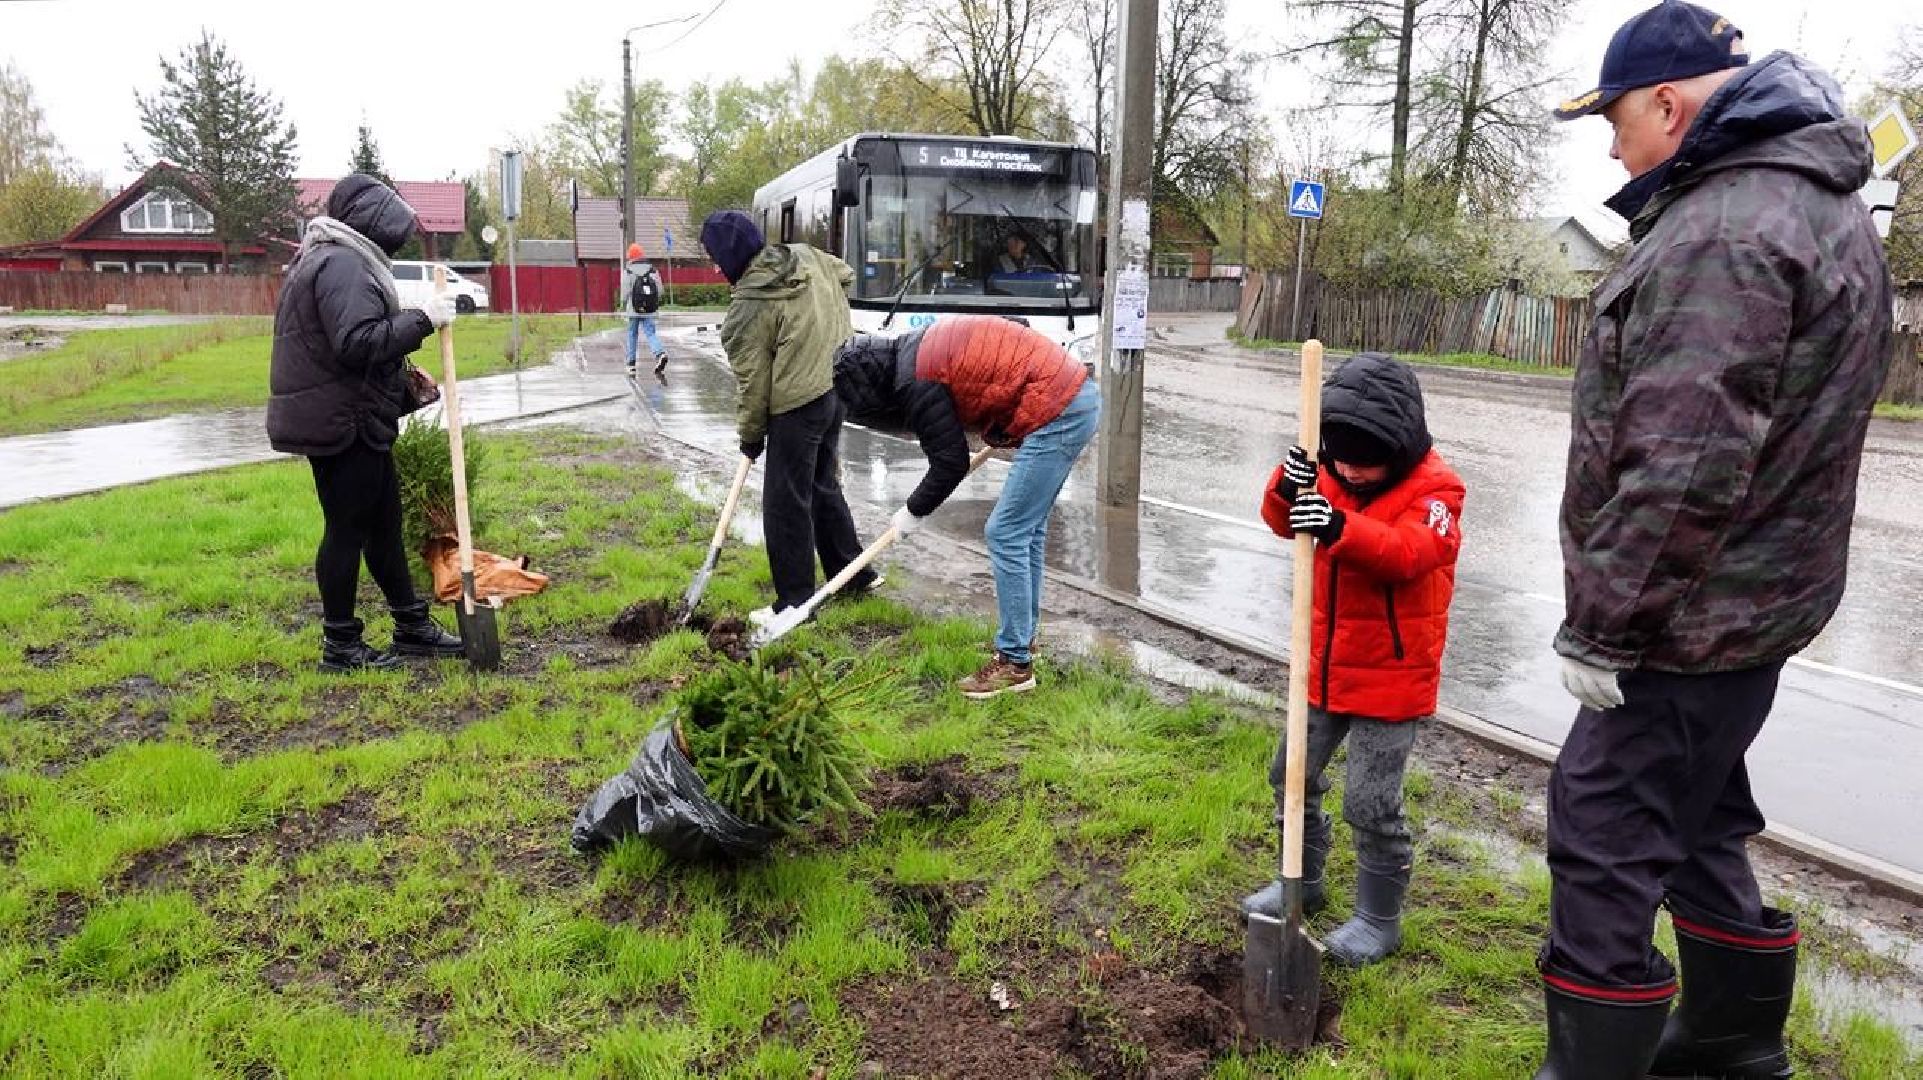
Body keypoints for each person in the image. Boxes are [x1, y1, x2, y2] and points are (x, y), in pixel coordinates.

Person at [1536, 4, 1894, 1074]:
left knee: (1601, 826)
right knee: (1696, 815)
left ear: (1666, 103)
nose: (1612, 150)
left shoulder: (1727, 230)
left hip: (1686, 620)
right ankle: (1733, 1044)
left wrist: (1604, 631)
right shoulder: (1814, 202)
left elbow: (1685, 462)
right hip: (1753, 606)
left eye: (1614, 123)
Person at [1238, 353, 1465, 967]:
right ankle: (1300, 883)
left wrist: (1339, 525)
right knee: (1291, 775)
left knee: (1369, 801)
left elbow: (1410, 553)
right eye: (1340, 459)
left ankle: (1377, 919)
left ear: (1400, 447)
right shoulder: (1328, 469)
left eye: (1365, 462)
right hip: (1323, 667)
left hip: (1392, 679)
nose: (1349, 471)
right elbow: (1282, 522)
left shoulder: (1438, 491)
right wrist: (1286, 487)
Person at [834, 315, 1100, 699]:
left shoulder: (917, 382)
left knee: (1006, 533)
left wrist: (912, 511)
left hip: (1059, 407)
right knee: (1026, 532)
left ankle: (1014, 664)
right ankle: (1021, 640)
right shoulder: (914, 348)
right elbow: (1009, 333)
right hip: (1069, 393)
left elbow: (950, 462)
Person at [267, 174, 467, 673]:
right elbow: (356, 342)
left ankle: (411, 626)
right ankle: (340, 646)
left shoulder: (336, 257)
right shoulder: (342, 264)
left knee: (383, 527)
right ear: (376, 222)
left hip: (352, 416)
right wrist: (423, 320)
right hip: (342, 422)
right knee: (346, 531)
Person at [699, 209, 878, 624]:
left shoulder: (748, 307)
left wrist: (751, 436)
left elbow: (754, 385)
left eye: (715, 257)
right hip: (837, 383)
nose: (714, 267)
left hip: (798, 403)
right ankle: (852, 575)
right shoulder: (805, 256)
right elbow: (846, 275)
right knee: (821, 483)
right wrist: (822, 319)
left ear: (730, 255)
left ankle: (795, 603)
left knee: (784, 502)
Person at [620, 243, 668, 376]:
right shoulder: (653, 270)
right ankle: (660, 353)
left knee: (632, 334)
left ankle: (631, 364)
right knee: (650, 333)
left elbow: (625, 293)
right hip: (650, 309)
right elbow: (660, 291)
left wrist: (622, 304)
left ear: (630, 257)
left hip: (633, 309)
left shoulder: (628, 271)